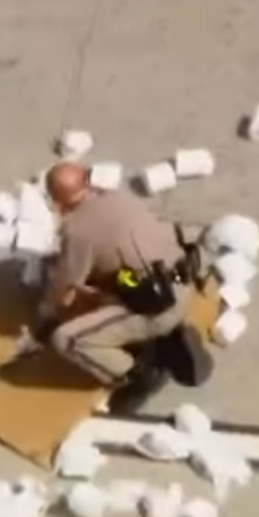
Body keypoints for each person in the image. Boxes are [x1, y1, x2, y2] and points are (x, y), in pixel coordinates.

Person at [40, 162, 213, 415]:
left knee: (67, 339)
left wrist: (49, 312)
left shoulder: (77, 230)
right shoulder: (121, 198)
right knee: (112, 284)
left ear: (56, 199)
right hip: (183, 285)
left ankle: (138, 374)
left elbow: (65, 290)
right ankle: (166, 337)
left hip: (155, 306)